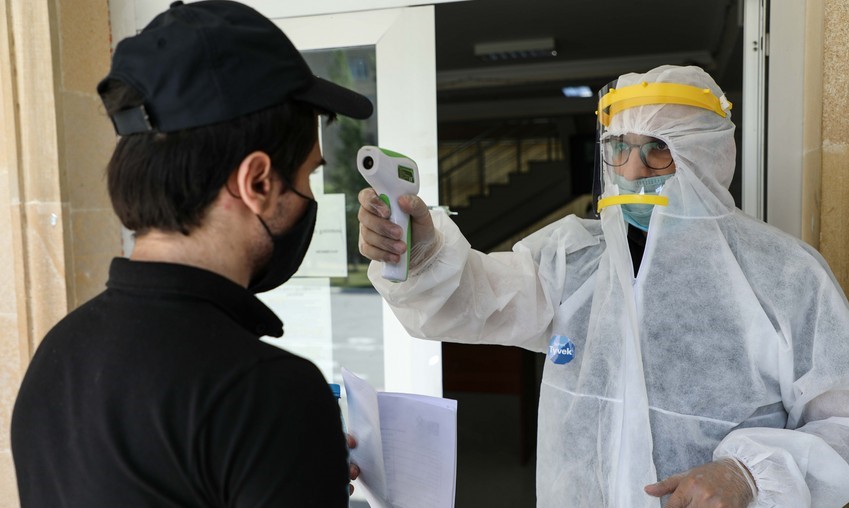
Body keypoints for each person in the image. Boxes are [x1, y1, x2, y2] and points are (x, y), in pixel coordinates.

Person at [358, 65, 849, 507]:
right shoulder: (576, 259)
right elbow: (473, 300)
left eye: (659, 149)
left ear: (707, 157)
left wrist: (749, 475)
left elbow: (842, 425)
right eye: (619, 148)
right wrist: (418, 251)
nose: (633, 171)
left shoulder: (785, 276)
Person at [11, 1, 373, 506]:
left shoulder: (58, 354)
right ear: (257, 182)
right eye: (308, 174)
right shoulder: (266, 392)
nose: (309, 197)